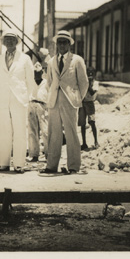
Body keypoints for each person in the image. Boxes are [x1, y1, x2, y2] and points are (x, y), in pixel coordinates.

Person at [41, 30, 89, 174]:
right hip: (54, 101)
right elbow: (49, 82)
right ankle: (51, 166)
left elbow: (84, 82)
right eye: (59, 42)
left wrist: (77, 98)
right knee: (53, 134)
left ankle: (73, 166)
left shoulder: (77, 60)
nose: (62, 45)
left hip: (70, 101)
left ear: (69, 44)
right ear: (56, 44)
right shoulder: (51, 61)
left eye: (64, 42)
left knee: (71, 133)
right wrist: (52, 95)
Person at [0, 30, 36, 173]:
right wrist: (3, 94)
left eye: (12, 39)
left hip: (19, 99)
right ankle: (3, 163)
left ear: (17, 42)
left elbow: (30, 80)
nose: (9, 42)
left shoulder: (25, 59)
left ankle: (19, 164)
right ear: (3, 42)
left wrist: (28, 98)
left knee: (19, 132)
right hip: (4, 99)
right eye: (7, 39)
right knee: (4, 131)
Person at [27, 61, 49, 163]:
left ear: (42, 72)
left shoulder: (46, 82)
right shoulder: (30, 82)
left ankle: (48, 154)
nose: (37, 74)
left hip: (42, 105)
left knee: (45, 131)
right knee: (32, 131)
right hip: (31, 104)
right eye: (35, 72)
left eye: (38, 72)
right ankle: (34, 154)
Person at [79, 67, 99, 150]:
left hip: (90, 103)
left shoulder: (95, 83)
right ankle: (84, 143)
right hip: (83, 103)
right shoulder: (84, 82)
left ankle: (96, 141)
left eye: (92, 73)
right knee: (82, 124)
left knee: (92, 122)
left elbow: (92, 92)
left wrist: (87, 84)